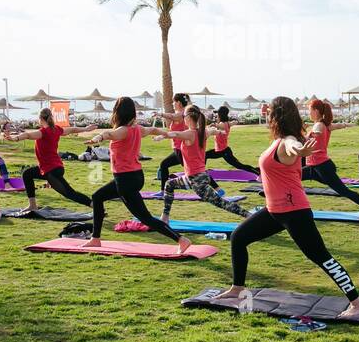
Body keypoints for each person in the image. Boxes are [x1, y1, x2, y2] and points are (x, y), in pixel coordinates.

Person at [214, 97, 359, 318]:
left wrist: (301, 151)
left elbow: (294, 146)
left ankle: (357, 304)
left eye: (270, 113)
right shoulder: (278, 141)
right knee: (239, 237)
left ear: (278, 117)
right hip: (274, 211)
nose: (267, 116)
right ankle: (237, 288)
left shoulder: (288, 140)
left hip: (294, 211)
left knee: (321, 257)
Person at [84, 96, 192, 252]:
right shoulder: (137, 129)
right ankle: (95, 239)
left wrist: (98, 137)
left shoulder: (123, 131)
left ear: (118, 113)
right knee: (97, 196)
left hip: (125, 179)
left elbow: (108, 134)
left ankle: (181, 239)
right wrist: (165, 134)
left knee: (145, 218)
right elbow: (153, 129)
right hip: (134, 176)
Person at [159, 105, 253, 223]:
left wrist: (163, 135)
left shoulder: (190, 133)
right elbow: (213, 131)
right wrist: (219, 131)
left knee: (221, 203)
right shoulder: (203, 132)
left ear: (188, 118)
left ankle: (248, 215)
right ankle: (165, 217)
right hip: (196, 176)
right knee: (169, 184)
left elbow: (175, 134)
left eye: (184, 116)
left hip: (196, 179)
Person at [3, 108, 97, 210]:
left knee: (70, 193)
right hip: (51, 168)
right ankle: (32, 205)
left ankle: (96, 206)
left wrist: (14, 138)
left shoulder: (43, 132)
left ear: (40, 118)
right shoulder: (56, 129)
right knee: (27, 173)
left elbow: (27, 135)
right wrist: (86, 129)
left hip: (51, 170)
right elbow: (72, 129)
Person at [300, 99, 359, 219]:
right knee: (293, 176)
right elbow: (337, 126)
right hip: (314, 167)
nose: (308, 112)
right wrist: (346, 125)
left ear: (316, 111)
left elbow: (314, 135)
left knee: (343, 191)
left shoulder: (319, 125)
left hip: (322, 167)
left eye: (309, 110)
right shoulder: (325, 124)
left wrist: (306, 133)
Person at [204, 105, 256, 173]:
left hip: (223, 151)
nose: (217, 116)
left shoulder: (222, 124)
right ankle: (201, 171)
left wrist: (213, 125)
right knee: (204, 155)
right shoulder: (227, 123)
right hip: (222, 150)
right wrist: (235, 122)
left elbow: (218, 125)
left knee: (239, 166)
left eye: (218, 114)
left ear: (220, 115)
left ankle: (257, 171)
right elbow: (233, 122)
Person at [155, 93, 191, 187]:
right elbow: (173, 130)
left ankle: (215, 187)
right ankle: (163, 190)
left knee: (195, 171)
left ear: (178, 102)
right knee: (164, 165)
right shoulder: (184, 113)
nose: (173, 104)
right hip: (179, 148)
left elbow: (172, 116)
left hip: (181, 149)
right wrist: (161, 136)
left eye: (174, 102)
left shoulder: (182, 114)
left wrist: (161, 114)